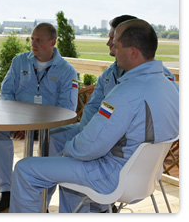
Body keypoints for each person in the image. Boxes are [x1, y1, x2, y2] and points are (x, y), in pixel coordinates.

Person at [9, 19, 179, 213]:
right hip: (145, 177)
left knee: (25, 169)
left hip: (110, 176)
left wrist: (67, 149)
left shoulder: (125, 93)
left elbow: (88, 147)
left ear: (132, 52)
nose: (113, 51)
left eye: (116, 46)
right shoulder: (172, 88)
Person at [0, 22, 78, 212]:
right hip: (18, 121)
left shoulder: (67, 71)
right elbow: (6, 92)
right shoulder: (20, 61)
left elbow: (67, 109)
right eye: (32, 39)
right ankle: (6, 191)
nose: (33, 44)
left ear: (52, 42)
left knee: (56, 141)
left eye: (38, 40)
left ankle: (42, 199)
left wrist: (33, 128)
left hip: (50, 128)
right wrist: (19, 122)